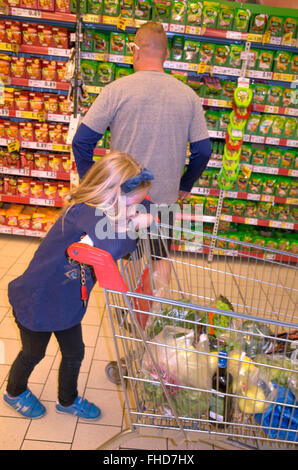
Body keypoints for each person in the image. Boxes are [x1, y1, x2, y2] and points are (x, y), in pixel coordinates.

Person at [4, 151, 154, 420]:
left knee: (75, 352)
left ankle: (67, 399)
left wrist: (136, 216)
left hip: (68, 300)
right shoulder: (85, 211)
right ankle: (14, 391)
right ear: (110, 194)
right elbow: (112, 247)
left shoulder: (106, 211)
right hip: (38, 299)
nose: (133, 212)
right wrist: (135, 226)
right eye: (130, 206)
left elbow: (131, 234)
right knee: (33, 352)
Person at [72, 21, 212, 286]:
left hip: (126, 199)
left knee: (128, 257)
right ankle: (158, 315)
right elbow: (203, 150)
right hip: (166, 198)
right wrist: (185, 183)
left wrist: (95, 185)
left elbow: (82, 141)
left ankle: (132, 317)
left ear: (135, 52)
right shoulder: (188, 95)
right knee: (160, 257)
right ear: (166, 55)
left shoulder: (116, 90)